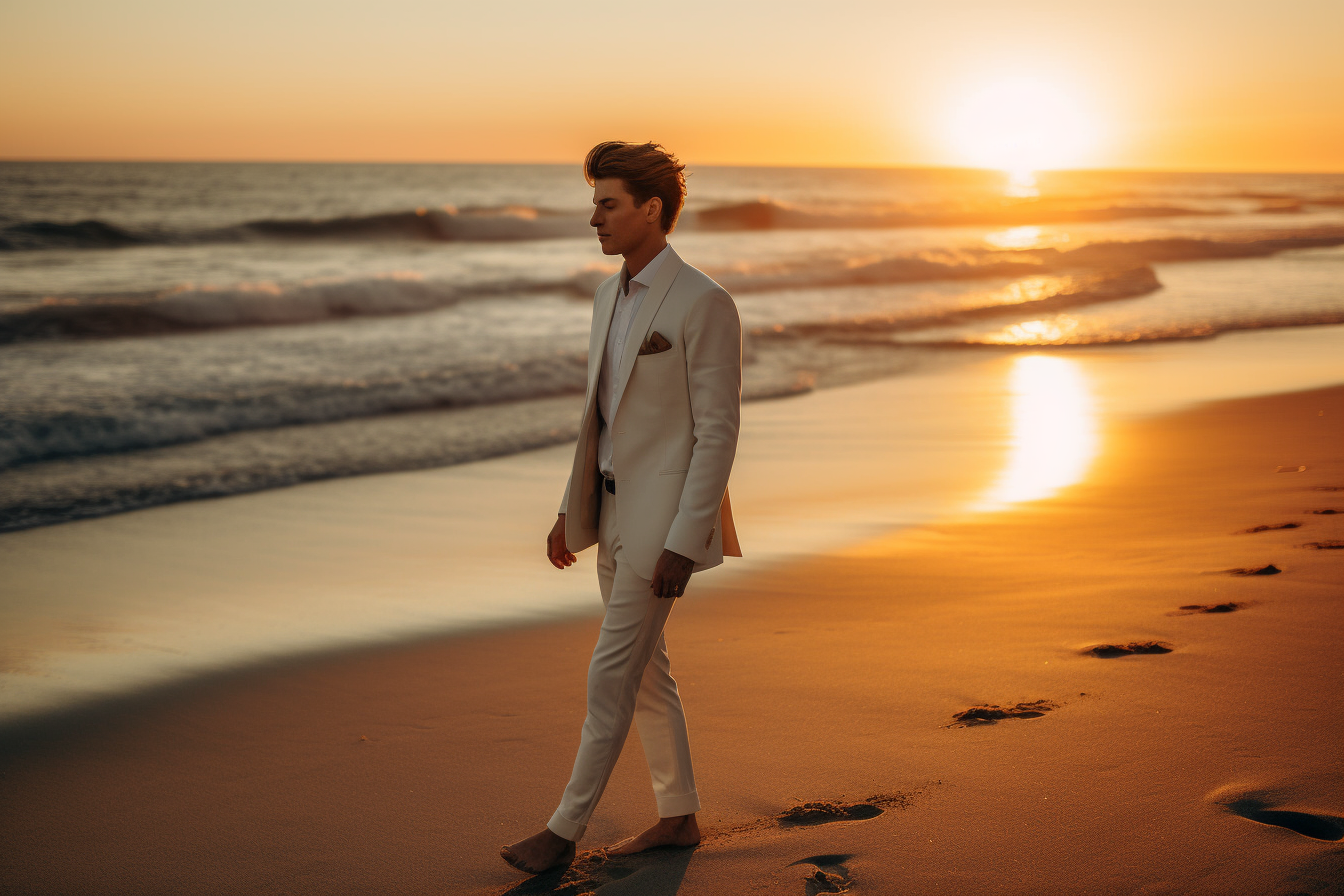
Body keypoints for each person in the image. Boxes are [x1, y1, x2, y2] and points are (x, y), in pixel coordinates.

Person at [500, 141, 743, 875]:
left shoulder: (705, 301)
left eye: (608, 204)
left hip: (662, 526)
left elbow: (717, 431)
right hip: (609, 516)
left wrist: (684, 536)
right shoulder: (609, 296)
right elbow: (599, 418)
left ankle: (561, 832)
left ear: (651, 209)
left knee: (610, 674)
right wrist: (568, 511)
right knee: (644, 673)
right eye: (595, 203)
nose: (594, 218)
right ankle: (677, 815)